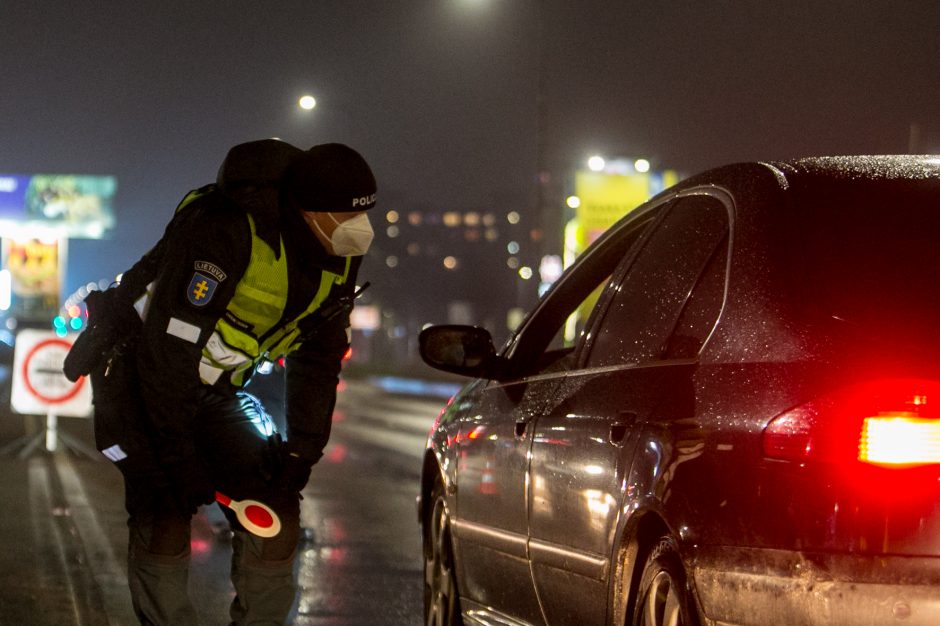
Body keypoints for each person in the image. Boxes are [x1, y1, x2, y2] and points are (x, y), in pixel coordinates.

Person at [72, 139, 377, 624]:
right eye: (344, 217)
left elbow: (319, 357)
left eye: (364, 214)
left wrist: (302, 451)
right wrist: (178, 456)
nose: (359, 230)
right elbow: (166, 355)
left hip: (218, 391)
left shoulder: (337, 253)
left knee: (276, 516)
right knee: (166, 511)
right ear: (306, 211)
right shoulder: (225, 230)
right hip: (138, 379)